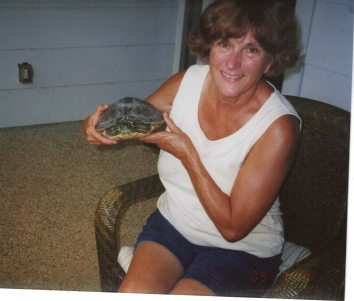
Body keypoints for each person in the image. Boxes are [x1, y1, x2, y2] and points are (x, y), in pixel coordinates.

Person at [82, 0, 301, 297]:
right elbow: (131, 119)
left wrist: (188, 154)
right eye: (225, 44)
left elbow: (233, 229)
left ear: (271, 61)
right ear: (210, 45)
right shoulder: (186, 81)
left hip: (242, 250)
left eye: (251, 49)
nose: (232, 63)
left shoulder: (278, 127)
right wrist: (96, 126)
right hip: (175, 222)